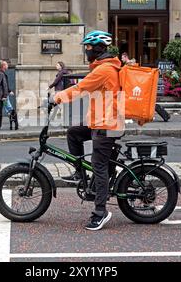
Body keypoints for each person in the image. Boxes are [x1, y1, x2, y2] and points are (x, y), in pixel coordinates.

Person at [54, 30, 124, 231]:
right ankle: (79, 172)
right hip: (100, 122)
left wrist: (56, 98)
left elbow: (81, 89)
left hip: (107, 125)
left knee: (98, 166)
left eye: (89, 48)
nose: (87, 52)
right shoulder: (103, 67)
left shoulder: (105, 70)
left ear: (99, 49)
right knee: (74, 132)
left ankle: (100, 212)